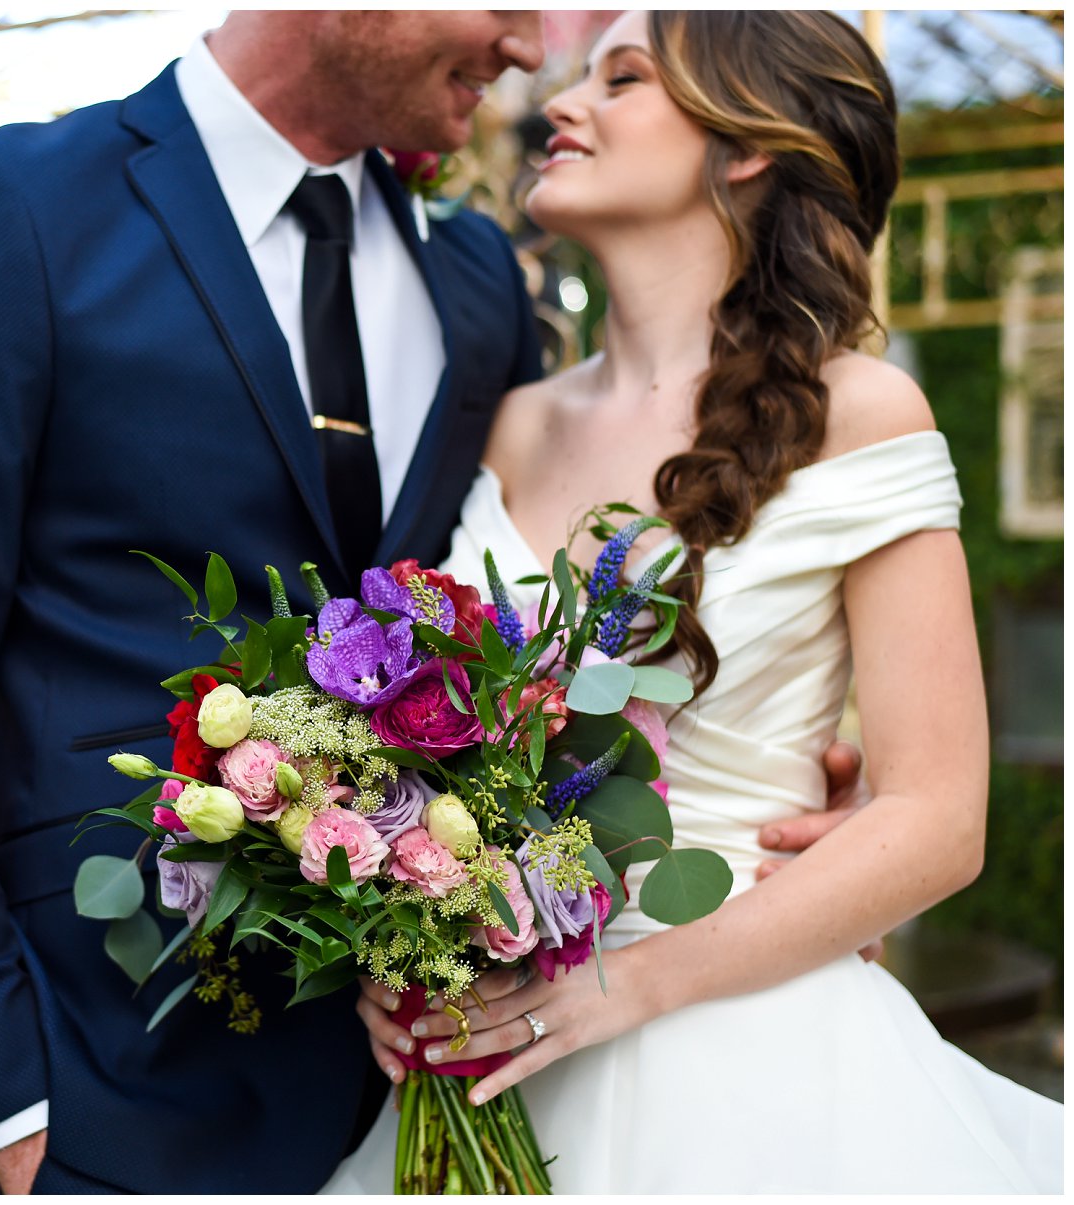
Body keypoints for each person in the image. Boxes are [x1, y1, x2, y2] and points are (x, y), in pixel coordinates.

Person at [0, 11, 865, 1194]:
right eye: (507, 5)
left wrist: (783, 774)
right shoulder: (15, 212)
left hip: (451, 1081)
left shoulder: (476, 289)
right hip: (114, 1080)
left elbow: (520, 633)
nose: (525, 52)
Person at [339, 11, 1063, 1193]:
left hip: (751, 1055)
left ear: (746, 147)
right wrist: (403, 944)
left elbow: (939, 813)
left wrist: (627, 985)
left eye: (620, 79)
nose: (558, 106)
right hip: (482, 1064)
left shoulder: (865, 413)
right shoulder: (512, 423)